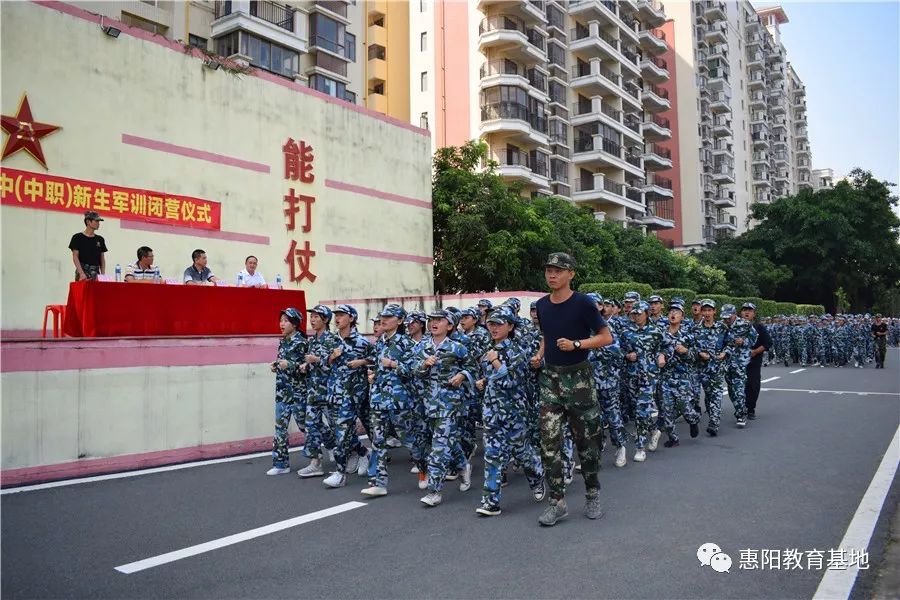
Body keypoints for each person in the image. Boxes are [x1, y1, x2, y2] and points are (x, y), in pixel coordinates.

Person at [532, 252, 613, 527]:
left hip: (579, 379)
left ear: (571, 274)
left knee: (587, 443)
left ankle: (592, 494)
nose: (551, 274)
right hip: (550, 381)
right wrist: (540, 354)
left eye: (558, 270)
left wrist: (577, 344)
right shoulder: (541, 305)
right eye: (548, 270)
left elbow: (605, 337)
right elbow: (546, 335)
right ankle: (557, 502)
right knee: (549, 444)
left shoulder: (583, 303)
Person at [475, 307, 546, 516]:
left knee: (522, 452)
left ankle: (537, 476)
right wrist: (484, 380)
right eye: (491, 324)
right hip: (492, 412)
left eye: (499, 324)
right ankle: (491, 502)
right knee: (492, 455)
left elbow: (512, 381)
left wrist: (495, 361)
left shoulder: (517, 350)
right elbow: (496, 379)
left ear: (511, 326)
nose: (494, 328)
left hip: (514, 412)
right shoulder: (489, 349)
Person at [411, 309, 474, 507]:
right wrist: (424, 365)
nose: (434, 323)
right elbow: (413, 370)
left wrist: (462, 375)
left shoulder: (457, 347)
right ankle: (463, 466)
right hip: (428, 403)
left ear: (450, 325)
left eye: (440, 320)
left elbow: (473, 367)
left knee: (438, 447)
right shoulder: (421, 346)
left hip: (450, 403)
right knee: (449, 441)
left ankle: (434, 491)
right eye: (432, 320)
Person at [322, 305, 374, 488]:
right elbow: (322, 365)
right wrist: (331, 358)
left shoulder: (362, 342)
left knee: (360, 431)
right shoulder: (331, 340)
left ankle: (345, 470)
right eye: (336, 315)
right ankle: (359, 456)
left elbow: (375, 359)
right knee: (342, 432)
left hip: (357, 394)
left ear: (351, 318)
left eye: (341, 315)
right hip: (336, 394)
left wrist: (362, 362)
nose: (337, 318)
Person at [297, 304, 340, 478]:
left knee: (338, 426)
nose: (312, 320)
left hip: (329, 391)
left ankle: (352, 454)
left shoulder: (333, 340)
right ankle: (315, 462)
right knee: (311, 425)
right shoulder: (312, 340)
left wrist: (317, 361)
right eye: (311, 317)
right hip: (314, 391)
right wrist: (306, 366)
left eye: (316, 317)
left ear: (326, 320)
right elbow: (313, 363)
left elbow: (335, 367)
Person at [267, 308, 307, 475]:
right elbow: (283, 362)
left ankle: (335, 447)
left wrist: (289, 365)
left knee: (307, 426)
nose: (281, 324)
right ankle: (281, 463)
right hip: (283, 393)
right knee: (280, 429)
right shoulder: (283, 341)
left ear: (295, 324)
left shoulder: (302, 343)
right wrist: (276, 366)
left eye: (285, 321)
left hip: (298, 393)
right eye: (281, 320)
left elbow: (307, 368)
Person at [657, 300, 700, 447]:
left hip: (682, 377)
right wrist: (659, 355)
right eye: (670, 312)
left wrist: (686, 351)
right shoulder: (661, 335)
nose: (673, 314)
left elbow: (696, 356)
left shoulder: (688, 336)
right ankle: (673, 438)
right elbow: (654, 350)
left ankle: (693, 419)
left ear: (682, 317)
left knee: (684, 406)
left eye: (677, 312)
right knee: (666, 409)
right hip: (665, 377)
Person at [742, 303, 772, 420]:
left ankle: (750, 408)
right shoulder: (736, 326)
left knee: (753, 386)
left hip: (753, 361)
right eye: (744, 310)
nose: (747, 312)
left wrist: (755, 351)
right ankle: (741, 408)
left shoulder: (759, 327)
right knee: (738, 386)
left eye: (749, 310)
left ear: (754, 313)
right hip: (738, 362)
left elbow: (768, 343)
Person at [69, 211, 107, 281]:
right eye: (96, 221)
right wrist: (81, 273)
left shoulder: (100, 239)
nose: (98, 224)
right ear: (88, 222)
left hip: (96, 273)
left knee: (96, 292)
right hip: (82, 271)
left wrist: (103, 275)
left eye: (99, 222)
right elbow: (75, 256)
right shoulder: (77, 237)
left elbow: (102, 259)